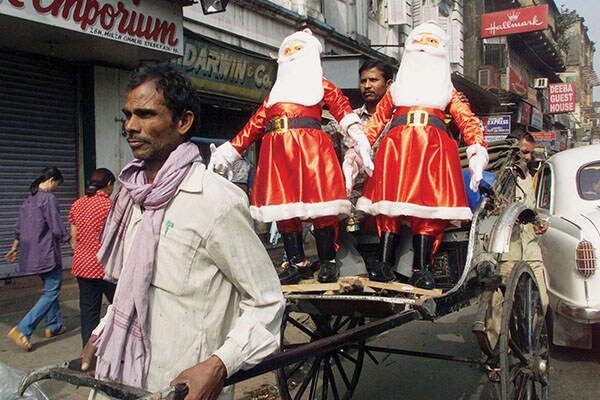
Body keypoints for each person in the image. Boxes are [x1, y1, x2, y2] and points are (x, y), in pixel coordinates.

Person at [81, 64, 285, 400]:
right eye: (128, 114)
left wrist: (220, 364)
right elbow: (132, 291)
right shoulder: (133, 197)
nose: (131, 126)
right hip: (121, 377)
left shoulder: (216, 201)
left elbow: (267, 302)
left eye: (145, 114)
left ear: (183, 122)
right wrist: (102, 331)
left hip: (179, 386)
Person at [208, 29, 374, 284]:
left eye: (299, 49)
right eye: (289, 50)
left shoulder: (320, 84)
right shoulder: (274, 95)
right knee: (283, 208)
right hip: (277, 154)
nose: (293, 54)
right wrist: (228, 152)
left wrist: (359, 136)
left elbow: (341, 108)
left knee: (322, 207)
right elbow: (254, 126)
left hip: (311, 150)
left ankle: (328, 261)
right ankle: (297, 262)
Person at [354, 21, 488, 288]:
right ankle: (382, 264)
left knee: (428, 212)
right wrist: (359, 149)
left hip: (434, 152)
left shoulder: (448, 90)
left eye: (431, 43)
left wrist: (476, 153)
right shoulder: (395, 90)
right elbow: (376, 122)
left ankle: (423, 268)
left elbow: (468, 122)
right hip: (397, 151)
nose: (425, 48)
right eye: (420, 42)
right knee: (387, 209)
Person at [478, 130, 549, 381]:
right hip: (507, 249)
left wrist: (540, 223)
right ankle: (497, 356)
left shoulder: (530, 177)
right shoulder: (502, 178)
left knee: (541, 300)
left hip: (530, 246)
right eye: (521, 152)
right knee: (501, 307)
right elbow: (492, 209)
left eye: (529, 153)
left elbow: (534, 210)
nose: (525, 157)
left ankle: (527, 348)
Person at [323, 59, 395, 276]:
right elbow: (323, 149)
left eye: (374, 80)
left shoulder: (401, 120)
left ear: (389, 84)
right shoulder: (347, 122)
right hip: (354, 204)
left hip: (389, 199)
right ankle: (355, 276)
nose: (367, 85)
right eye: (363, 81)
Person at [5, 166, 70, 352]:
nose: (55, 188)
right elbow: (56, 227)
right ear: (51, 180)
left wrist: (14, 249)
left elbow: (19, 229)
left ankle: (54, 326)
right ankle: (23, 329)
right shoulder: (48, 199)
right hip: (46, 254)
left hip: (31, 256)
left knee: (51, 290)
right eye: (56, 184)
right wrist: (70, 240)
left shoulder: (28, 201)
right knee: (51, 292)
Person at [68, 168, 117, 347]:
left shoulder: (78, 204)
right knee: (120, 308)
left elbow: (73, 238)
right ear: (109, 185)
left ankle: (87, 353)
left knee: (89, 311)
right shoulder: (110, 206)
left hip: (82, 266)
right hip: (105, 267)